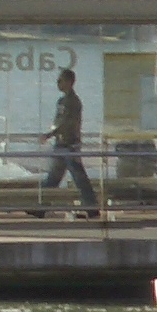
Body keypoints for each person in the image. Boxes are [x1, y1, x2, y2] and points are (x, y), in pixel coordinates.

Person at [39, 67, 99, 216]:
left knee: (79, 178)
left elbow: (66, 123)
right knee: (53, 178)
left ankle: (92, 208)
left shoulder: (73, 102)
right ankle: (41, 206)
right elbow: (58, 121)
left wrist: (49, 134)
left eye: (61, 80)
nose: (57, 83)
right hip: (61, 144)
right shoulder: (62, 101)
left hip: (69, 145)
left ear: (69, 82)